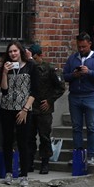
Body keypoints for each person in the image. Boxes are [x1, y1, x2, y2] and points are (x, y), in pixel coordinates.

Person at [62, 32, 94, 166]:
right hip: (75, 96)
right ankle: (78, 154)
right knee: (76, 127)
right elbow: (64, 76)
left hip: (90, 96)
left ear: (90, 44)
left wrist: (89, 72)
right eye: (79, 47)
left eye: (84, 47)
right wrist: (74, 75)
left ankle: (91, 155)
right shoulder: (72, 58)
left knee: (91, 127)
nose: (81, 49)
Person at [0, 41, 38, 187]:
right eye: (10, 52)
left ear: (20, 51)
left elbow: (34, 90)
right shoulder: (5, 67)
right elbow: (4, 90)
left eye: (15, 51)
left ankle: (24, 175)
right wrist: (4, 72)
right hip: (7, 108)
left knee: (23, 141)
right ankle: (8, 172)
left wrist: (25, 109)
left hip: (23, 109)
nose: (13, 54)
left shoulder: (30, 66)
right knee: (7, 141)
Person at [27, 44, 65, 174]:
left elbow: (60, 87)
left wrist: (50, 100)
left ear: (40, 56)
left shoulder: (49, 69)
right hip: (30, 107)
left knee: (44, 136)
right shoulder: (27, 68)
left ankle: (45, 162)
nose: (32, 60)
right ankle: (29, 162)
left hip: (44, 109)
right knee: (29, 137)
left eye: (34, 58)